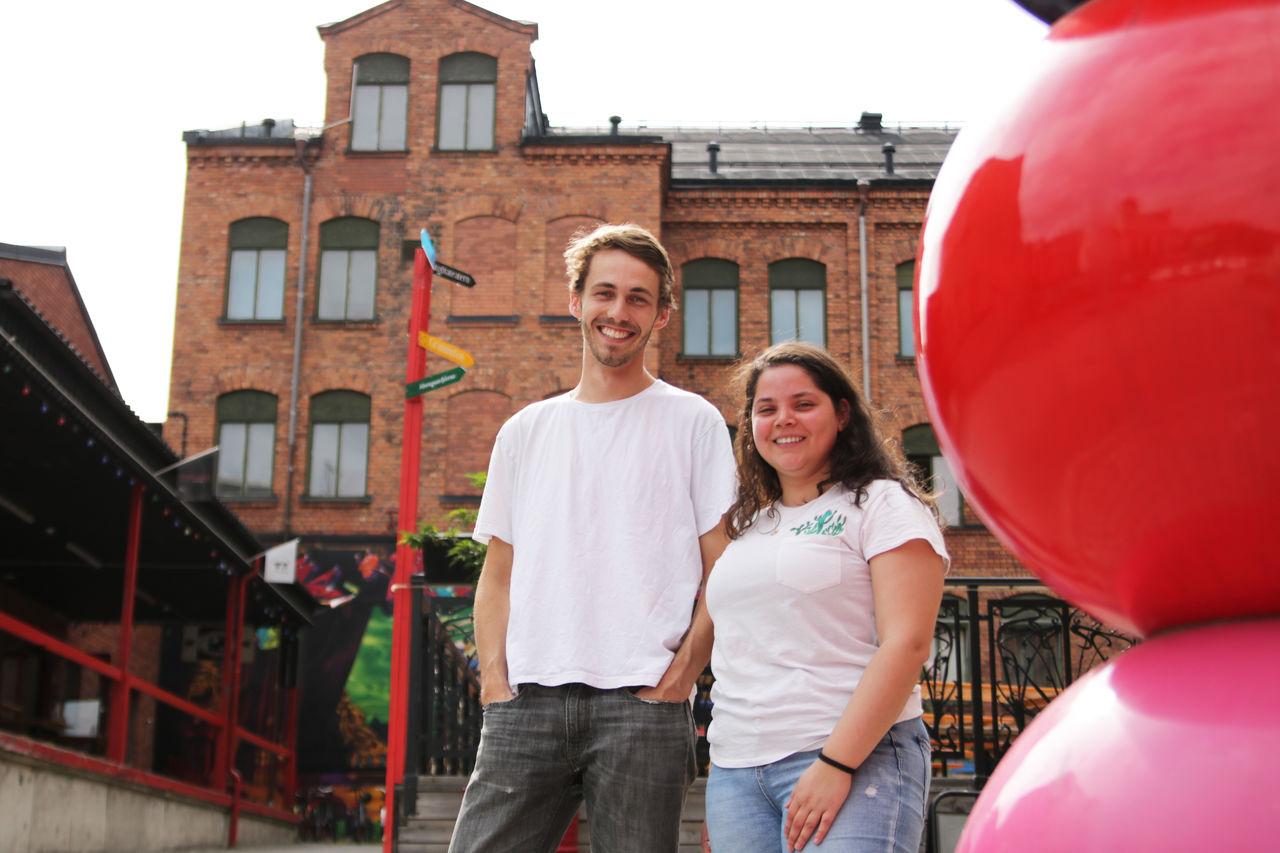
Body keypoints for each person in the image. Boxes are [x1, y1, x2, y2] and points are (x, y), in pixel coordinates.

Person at [448, 223, 736, 853]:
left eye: (639, 298)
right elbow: (497, 574)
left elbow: (726, 571)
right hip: (526, 702)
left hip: (644, 707)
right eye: (604, 292)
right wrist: (495, 683)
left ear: (661, 316)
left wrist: (682, 677)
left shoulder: (695, 422)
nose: (618, 311)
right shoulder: (525, 431)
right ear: (575, 301)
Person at [703, 342, 948, 853]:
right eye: (766, 409)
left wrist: (837, 764)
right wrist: (723, 780)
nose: (783, 419)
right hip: (737, 772)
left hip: (853, 757)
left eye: (803, 404)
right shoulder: (750, 525)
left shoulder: (883, 503)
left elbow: (907, 645)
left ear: (841, 413)